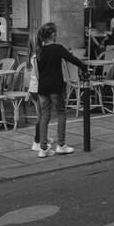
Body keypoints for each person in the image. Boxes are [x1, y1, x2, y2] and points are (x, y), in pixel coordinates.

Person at [33, 22, 87, 155]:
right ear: (52, 34)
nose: (57, 34)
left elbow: (39, 71)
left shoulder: (40, 50)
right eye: (55, 32)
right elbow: (72, 59)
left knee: (45, 116)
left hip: (42, 87)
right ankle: (61, 145)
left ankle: (43, 148)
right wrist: (84, 66)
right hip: (55, 86)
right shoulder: (57, 48)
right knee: (61, 113)